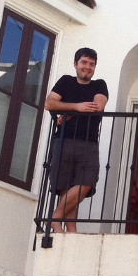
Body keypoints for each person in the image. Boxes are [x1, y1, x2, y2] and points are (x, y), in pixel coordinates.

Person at [44, 47, 109, 233]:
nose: (88, 67)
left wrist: (66, 110)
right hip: (63, 139)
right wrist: (77, 107)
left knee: (87, 183)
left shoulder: (99, 85)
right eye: (84, 63)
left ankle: (55, 217)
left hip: (88, 142)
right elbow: (49, 103)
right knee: (65, 186)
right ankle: (70, 231)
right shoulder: (66, 81)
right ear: (76, 64)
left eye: (92, 64)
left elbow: (98, 106)